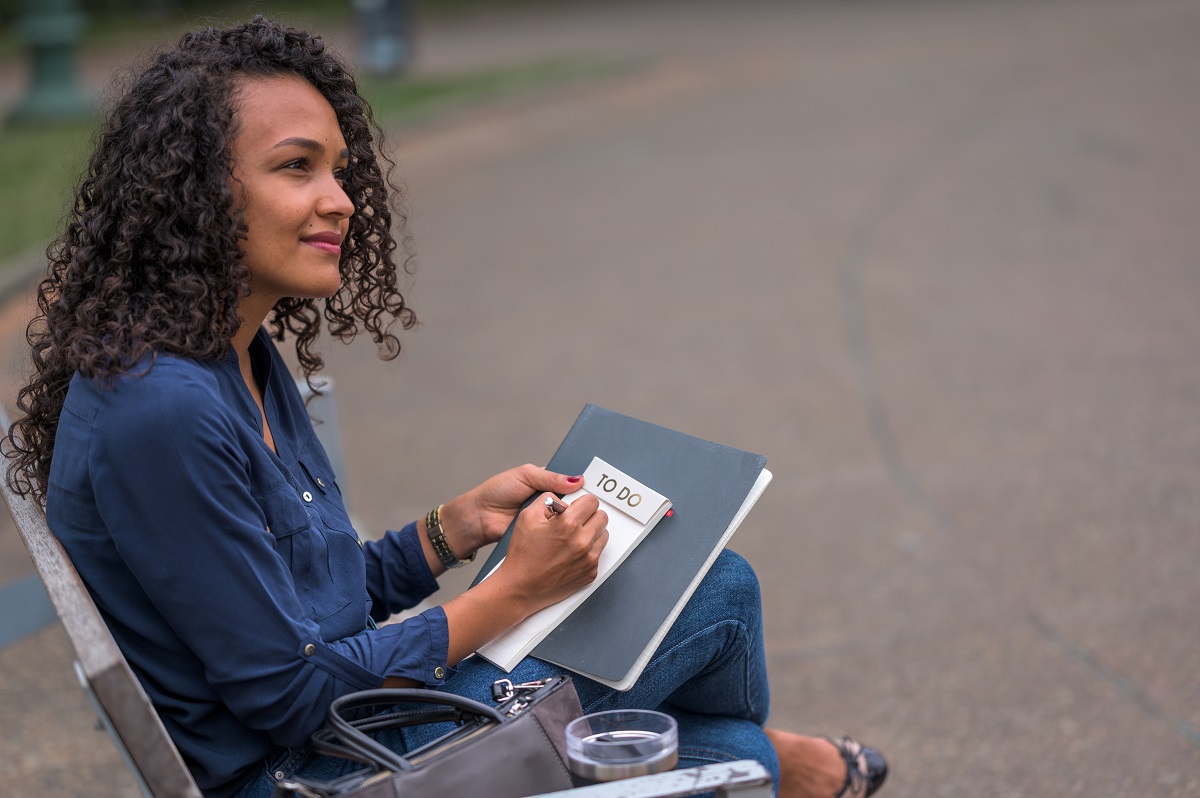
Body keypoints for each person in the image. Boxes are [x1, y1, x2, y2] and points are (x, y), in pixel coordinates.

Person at [5, 17, 887, 798]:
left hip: (344, 732)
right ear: (193, 196)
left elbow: (316, 607)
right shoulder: (161, 410)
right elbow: (295, 694)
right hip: (317, 773)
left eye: (340, 171)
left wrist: (449, 530)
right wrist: (511, 590)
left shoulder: (236, 354)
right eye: (295, 168)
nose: (341, 201)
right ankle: (778, 769)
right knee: (716, 595)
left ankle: (767, 765)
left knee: (713, 675)